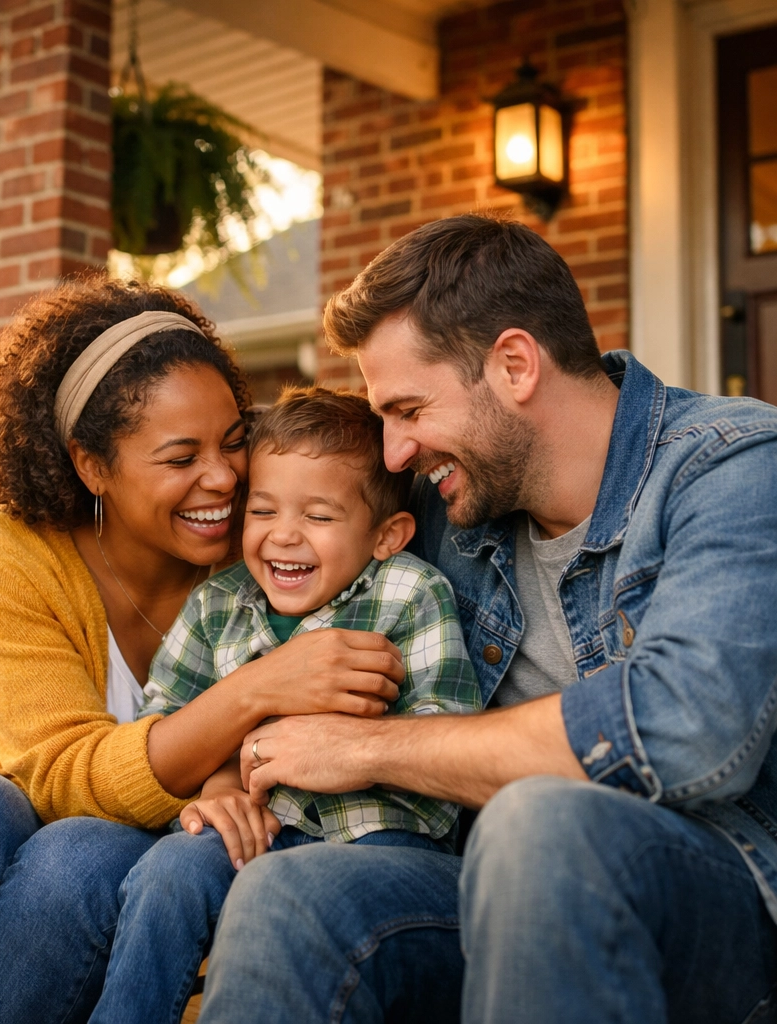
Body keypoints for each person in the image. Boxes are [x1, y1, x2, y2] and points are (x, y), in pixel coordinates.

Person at [198, 215, 777, 1024]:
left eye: (408, 409)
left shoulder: (734, 466)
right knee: (288, 891)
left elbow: (685, 725)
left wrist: (366, 748)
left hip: (719, 897)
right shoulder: (452, 508)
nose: (394, 454)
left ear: (513, 364)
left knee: (539, 823)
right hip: (481, 880)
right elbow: (282, 556)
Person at [0, 278, 406, 1024]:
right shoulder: (5, 554)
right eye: (180, 456)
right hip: (18, 804)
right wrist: (257, 689)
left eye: (233, 440)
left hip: (150, 851)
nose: (221, 478)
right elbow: (58, 772)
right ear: (92, 466)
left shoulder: (273, 552)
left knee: (82, 855)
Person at [88, 386, 481, 1024]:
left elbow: (452, 731)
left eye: (319, 517)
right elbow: (160, 723)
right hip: (255, 830)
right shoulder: (219, 605)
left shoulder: (410, 594)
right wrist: (215, 781)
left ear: (387, 535)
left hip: (381, 838)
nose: (283, 536)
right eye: (263, 511)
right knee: (170, 871)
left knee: (311, 906)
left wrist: (357, 747)